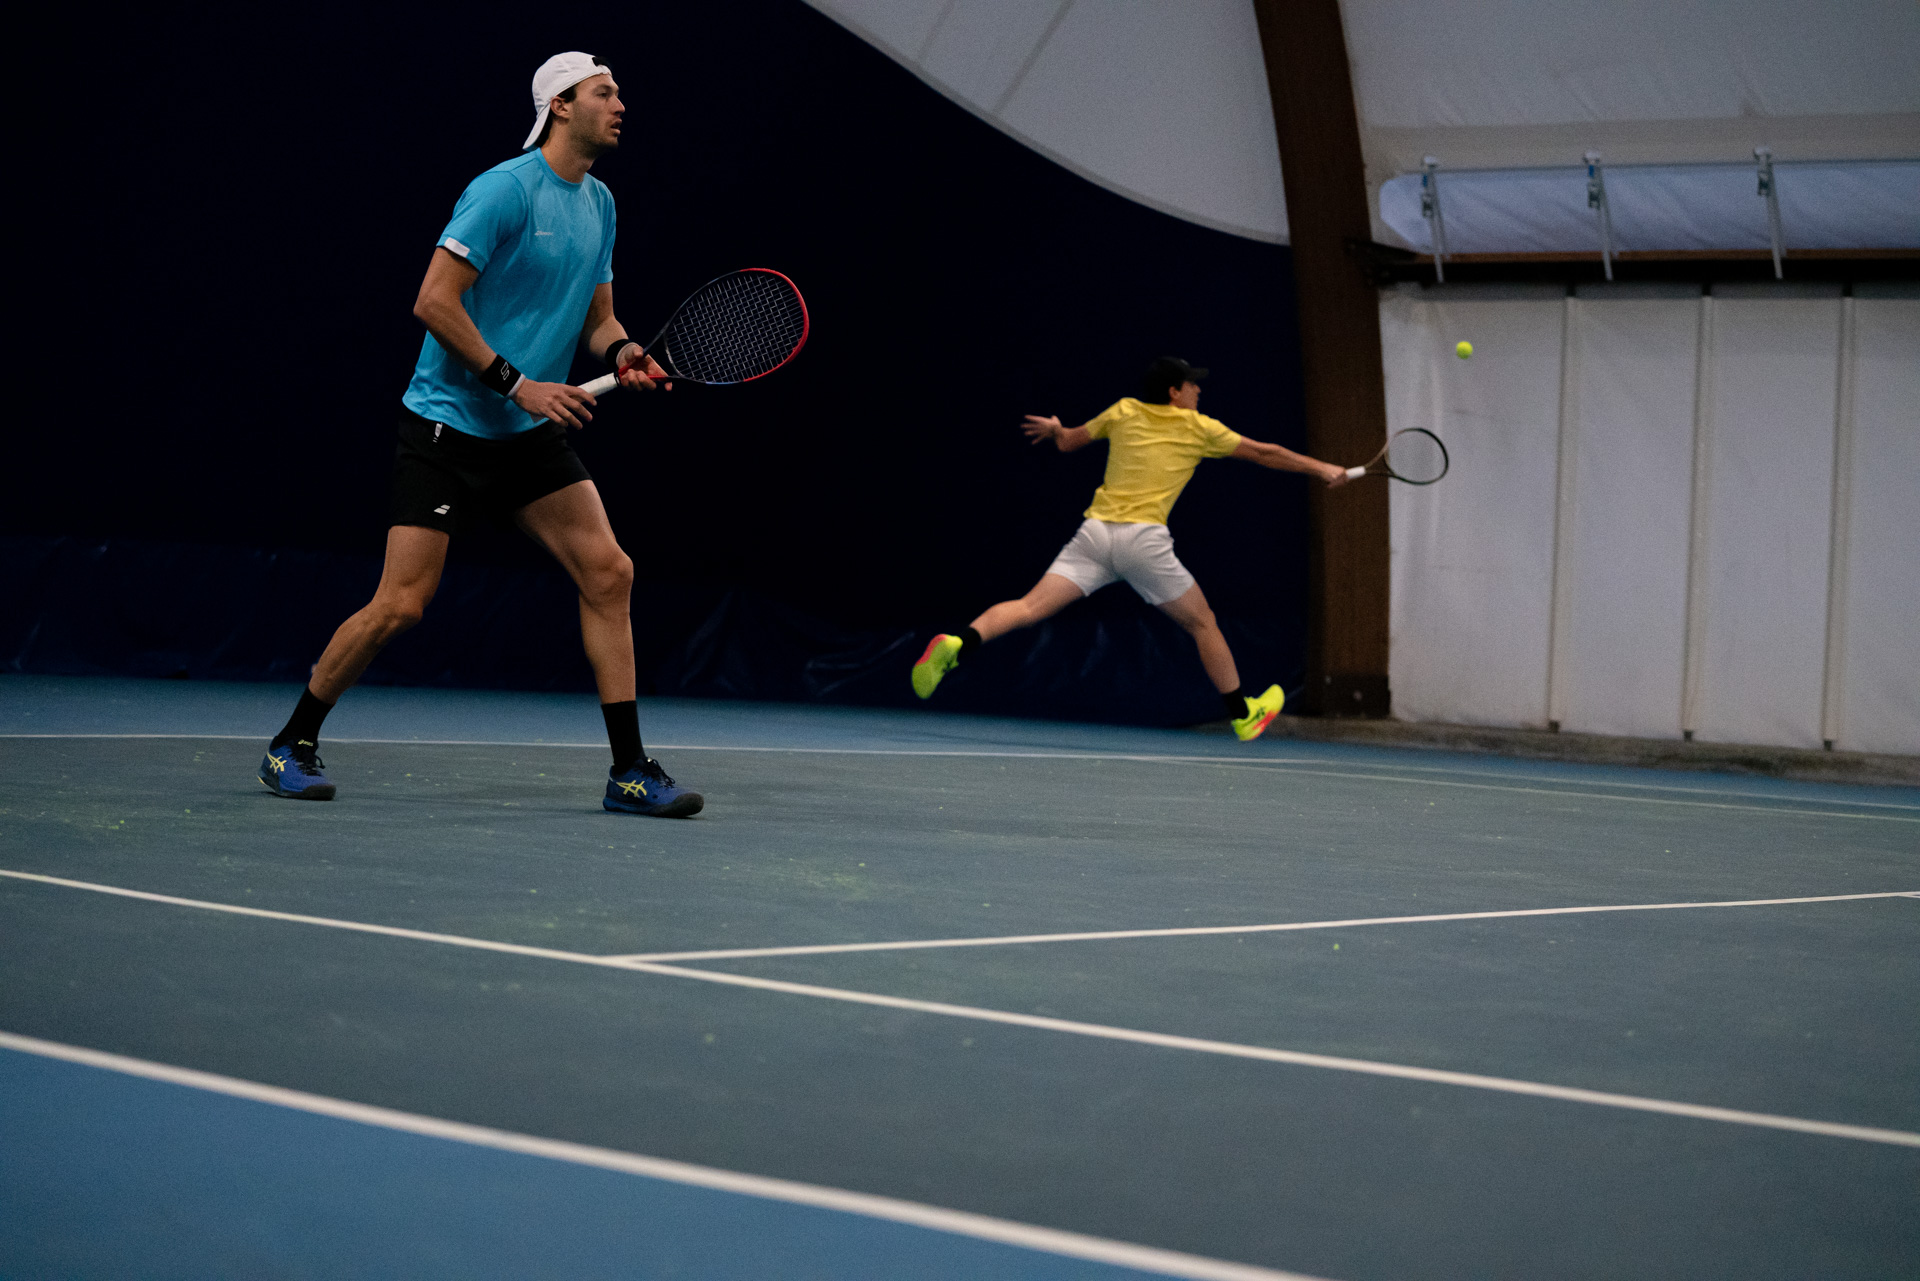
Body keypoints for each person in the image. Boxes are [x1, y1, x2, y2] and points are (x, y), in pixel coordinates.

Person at [257, 52, 702, 818]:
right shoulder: (504, 190)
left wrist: (625, 352)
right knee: (402, 603)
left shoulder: (600, 204)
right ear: (561, 105)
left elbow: (599, 319)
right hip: (449, 427)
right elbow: (434, 300)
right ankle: (291, 741)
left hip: (527, 435)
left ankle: (629, 770)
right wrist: (517, 383)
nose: (621, 104)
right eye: (605, 92)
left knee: (609, 573)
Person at [910, 357, 1349, 741]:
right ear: (1174, 392)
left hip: (1095, 535)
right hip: (1143, 543)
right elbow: (1266, 453)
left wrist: (1057, 429)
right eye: (1191, 384)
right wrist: (1323, 468)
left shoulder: (1123, 411)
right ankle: (1243, 715)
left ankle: (959, 642)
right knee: (1203, 623)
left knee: (1028, 606)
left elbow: (1068, 442)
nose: (1198, 390)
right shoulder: (1201, 428)